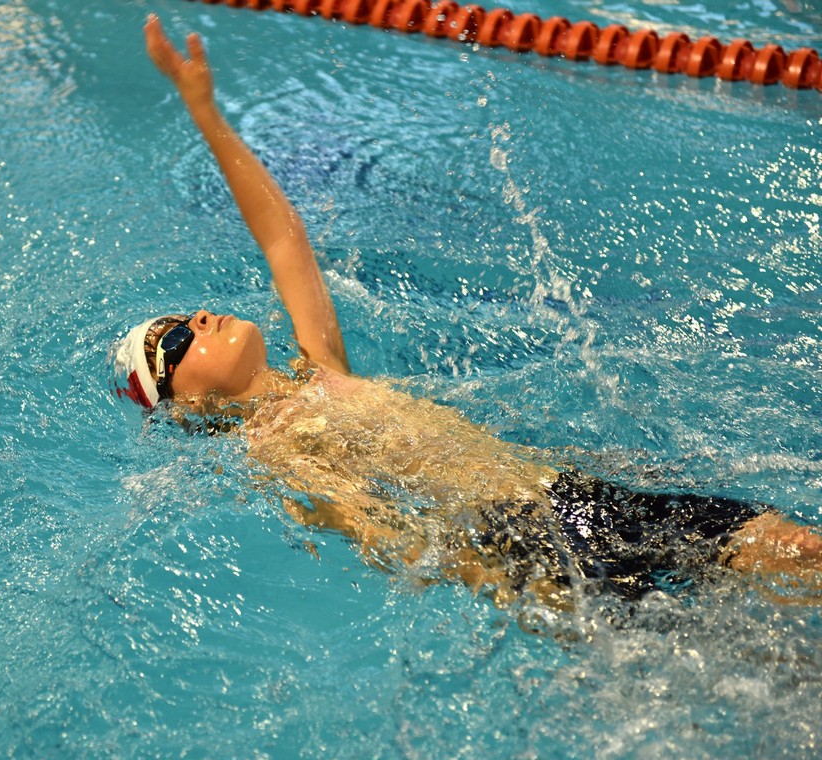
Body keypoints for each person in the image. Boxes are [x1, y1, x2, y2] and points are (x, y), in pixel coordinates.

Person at [114, 14, 822, 609]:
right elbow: (384, 539)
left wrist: (204, 111)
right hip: (533, 548)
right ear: (187, 405)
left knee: (794, 549)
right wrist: (512, 588)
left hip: (568, 492)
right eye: (177, 336)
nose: (200, 317)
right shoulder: (274, 448)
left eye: (189, 315)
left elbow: (282, 239)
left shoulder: (316, 368)